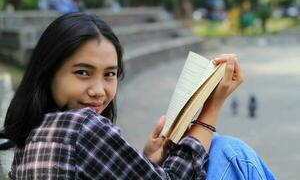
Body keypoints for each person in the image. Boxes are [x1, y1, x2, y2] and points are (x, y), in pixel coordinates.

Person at [4, 12, 272, 179]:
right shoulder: (80, 127)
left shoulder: (32, 135)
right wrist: (211, 108)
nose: (99, 90)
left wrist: (142, 162)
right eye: (83, 73)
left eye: (109, 74)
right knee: (230, 152)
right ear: (48, 72)